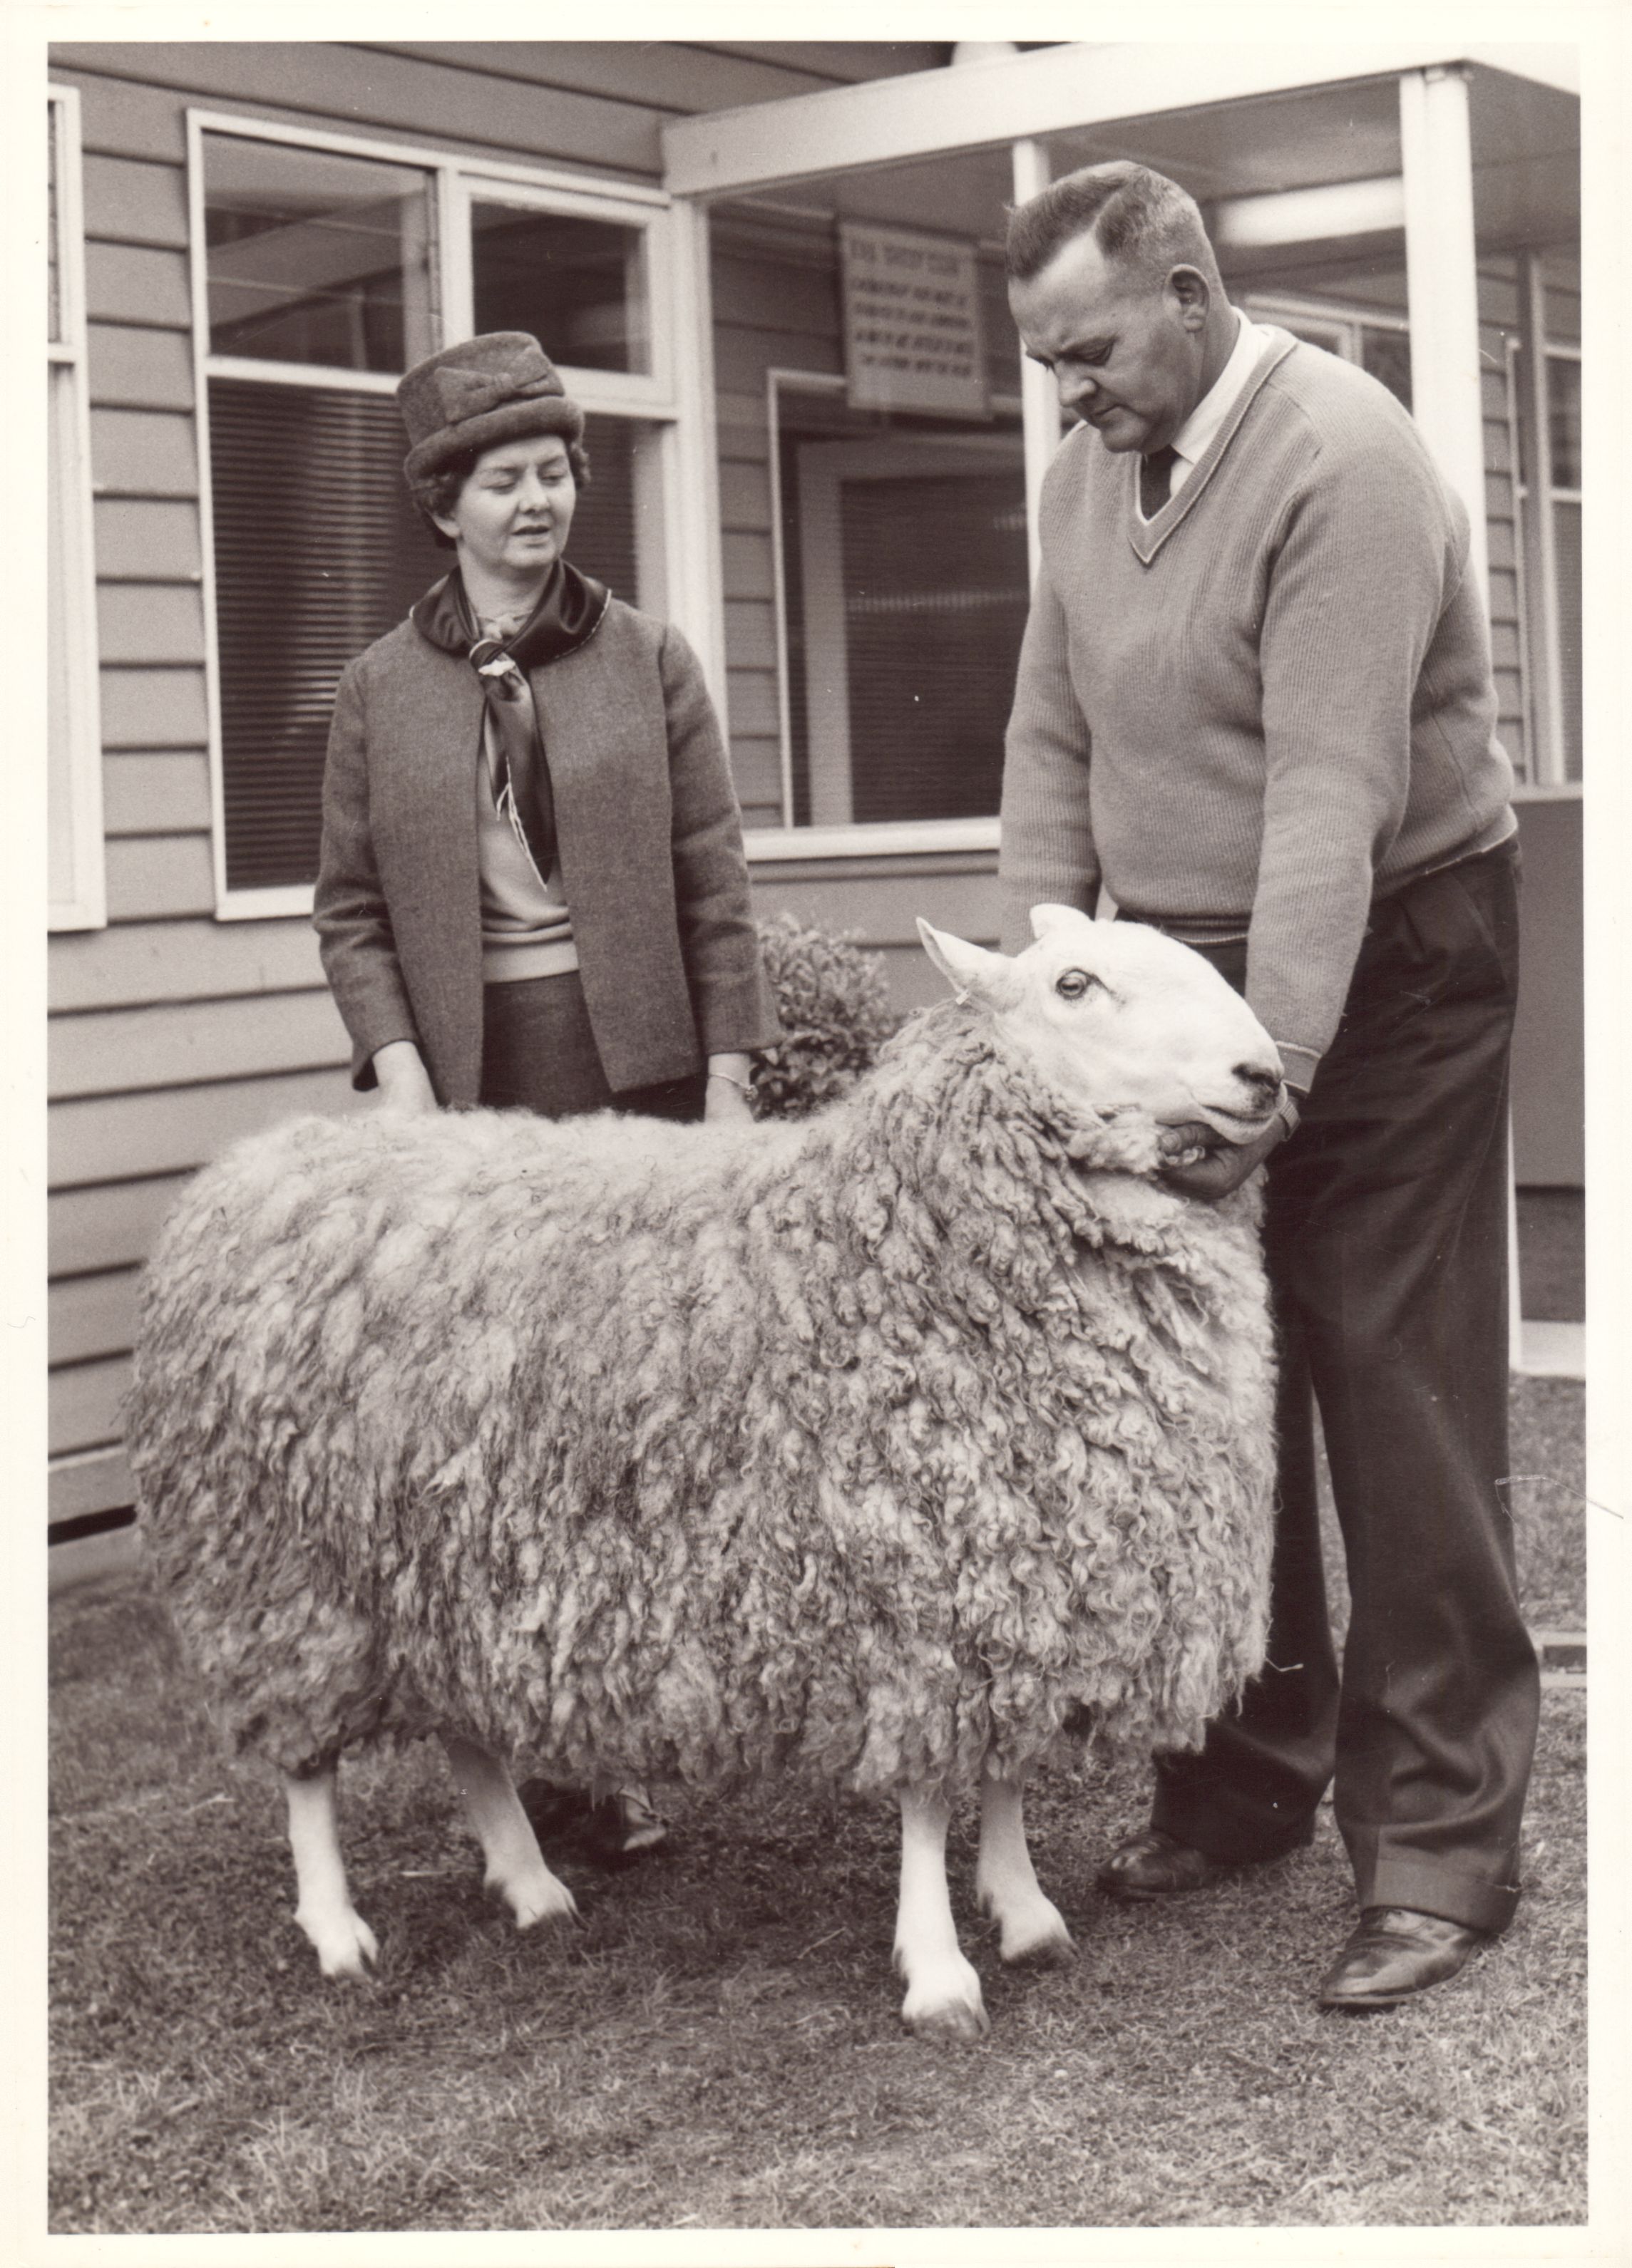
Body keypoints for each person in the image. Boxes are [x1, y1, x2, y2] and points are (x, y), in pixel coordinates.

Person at [999, 162, 1536, 2008]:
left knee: (1386, 1371)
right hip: (1179, 969)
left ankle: (1445, 1847)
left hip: (1385, 958)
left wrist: (1271, 1072)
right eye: (1043, 362)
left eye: (1086, 351)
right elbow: (1050, 735)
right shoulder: (1086, 474)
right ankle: (1239, 1777)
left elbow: (1329, 792)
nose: (1066, 391)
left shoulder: (1342, 457)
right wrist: (1037, 1001)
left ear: (1187, 292)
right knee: (1215, 1386)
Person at [314, 329, 782, 1855]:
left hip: (631, 1074)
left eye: (556, 473)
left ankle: (645, 1720)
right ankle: (553, 1754)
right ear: (442, 504)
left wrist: (726, 1076)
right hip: (472, 1093)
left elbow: (714, 883)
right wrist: (401, 1079)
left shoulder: (646, 658)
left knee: (639, 1412)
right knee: (511, 1428)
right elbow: (351, 909)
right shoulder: (380, 689)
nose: (538, 502)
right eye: (503, 480)